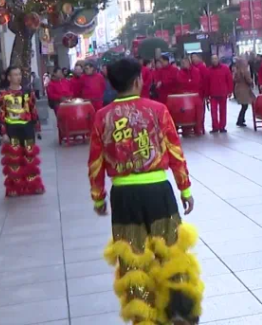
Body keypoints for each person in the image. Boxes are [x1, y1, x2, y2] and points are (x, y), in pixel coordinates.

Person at [87, 58, 202, 325]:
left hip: (123, 196)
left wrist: (98, 197)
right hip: (158, 190)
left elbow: (95, 162)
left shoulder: (102, 116)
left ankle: (144, 316)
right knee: (171, 251)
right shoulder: (157, 110)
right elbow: (175, 151)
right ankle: (180, 311)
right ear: (138, 80)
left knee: (132, 257)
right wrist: (185, 190)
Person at [0, 66, 44, 197]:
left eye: (19, 74)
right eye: (14, 75)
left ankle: (33, 185)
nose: (18, 77)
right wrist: (4, 133)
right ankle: (15, 187)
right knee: (14, 158)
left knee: (30, 157)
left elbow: (33, 110)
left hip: (27, 128)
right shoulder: (3, 94)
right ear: (9, 77)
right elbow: (1, 114)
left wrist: (37, 128)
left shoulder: (28, 92)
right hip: (12, 129)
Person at [176, 57, 207, 135]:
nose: (184, 64)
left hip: (195, 95)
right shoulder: (180, 72)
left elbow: (196, 82)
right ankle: (186, 129)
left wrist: (188, 83)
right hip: (184, 96)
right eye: (183, 63)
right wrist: (188, 83)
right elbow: (180, 82)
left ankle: (198, 128)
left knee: (198, 112)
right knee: (185, 113)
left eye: (185, 62)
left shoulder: (196, 71)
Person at [207, 54, 233, 133]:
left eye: (215, 59)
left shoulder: (225, 68)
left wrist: (230, 91)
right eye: (213, 59)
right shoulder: (209, 70)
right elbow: (207, 83)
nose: (214, 60)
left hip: (223, 93)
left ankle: (222, 127)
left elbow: (229, 80)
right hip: (213, 94)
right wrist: (207, 94)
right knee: (213, 112)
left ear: (218, 59)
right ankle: (215, 127)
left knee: (223, 111)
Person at [232, 58, 256, 127]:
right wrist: (252, 83)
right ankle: (240, 120)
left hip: (238, 89)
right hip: (244, 89)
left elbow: (234, 79)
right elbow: (248, 80)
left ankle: (241, 119)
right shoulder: (244, 70)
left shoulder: (236, 70)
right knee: (245, 106)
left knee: (244, 106)